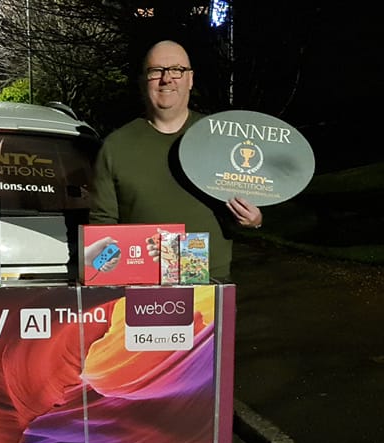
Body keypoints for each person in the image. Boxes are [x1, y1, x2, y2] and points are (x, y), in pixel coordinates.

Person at [89, 39, 263, 281]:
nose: (166, 79)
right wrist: (104, 275)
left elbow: (246, 205)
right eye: (156, 71)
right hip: (139, 283)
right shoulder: (115, 146)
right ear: (143, 81)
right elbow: (102, 224)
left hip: (208, 282)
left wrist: (255, 220)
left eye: (177, 70)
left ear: (190, 79)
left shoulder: (221, 139)